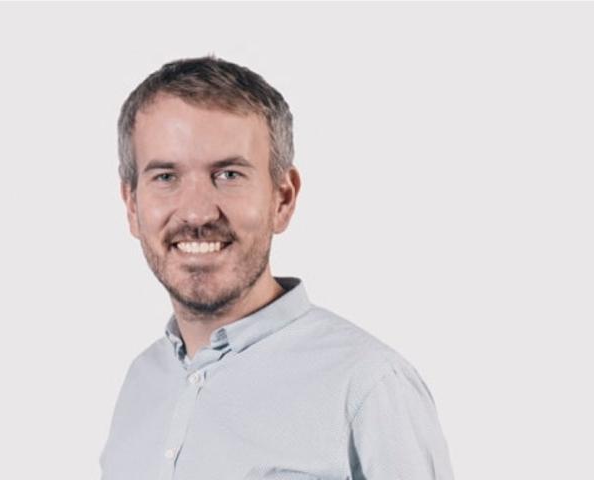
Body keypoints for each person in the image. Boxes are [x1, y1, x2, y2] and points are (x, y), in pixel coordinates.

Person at [100, 55, 455, 480]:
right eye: (165, 177)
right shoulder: (142, 381)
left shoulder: (368, 385)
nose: (195, 212)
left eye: (228, 174)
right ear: (132, 206)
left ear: (282, 199)